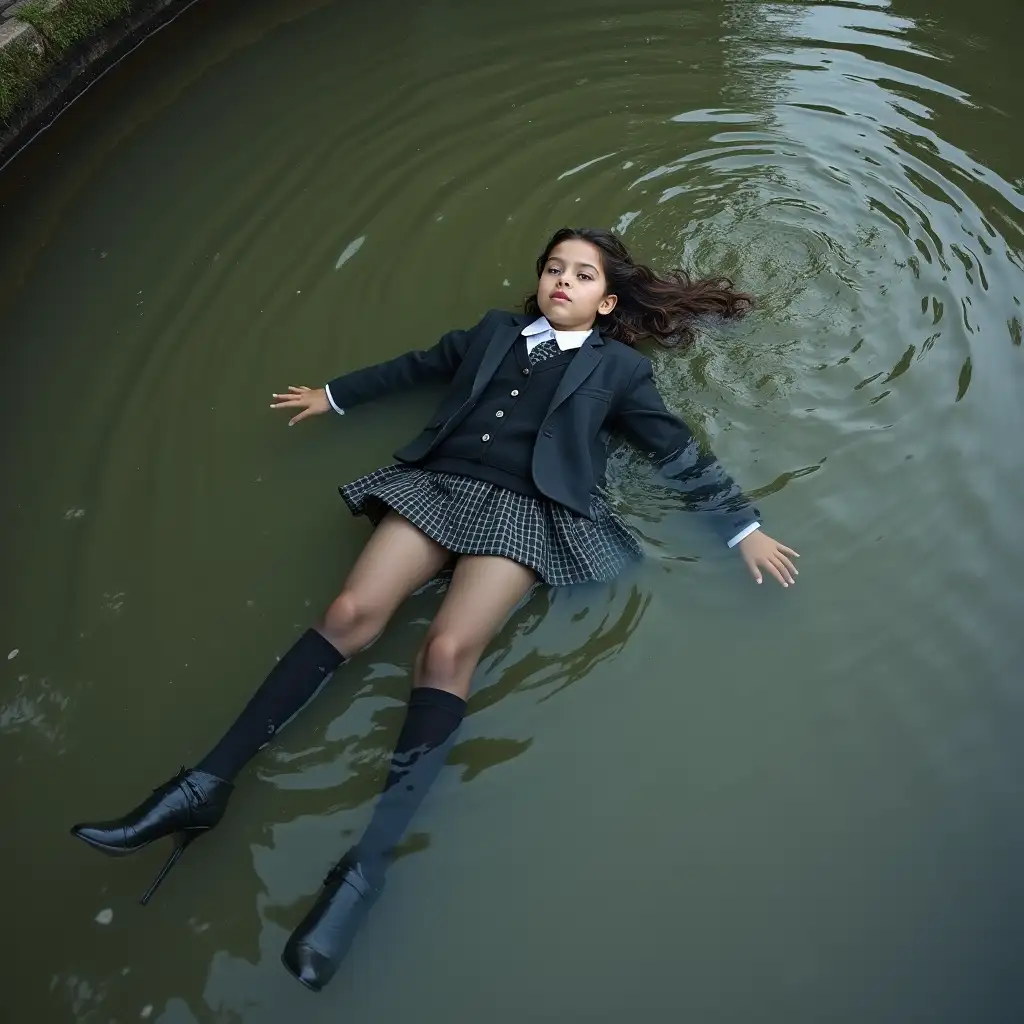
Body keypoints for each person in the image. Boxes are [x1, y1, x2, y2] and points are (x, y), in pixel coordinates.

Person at [70, 227, 799, 992]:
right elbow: (416, 367)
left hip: (528, 510)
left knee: (448, 654)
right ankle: (203, 788)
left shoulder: (617, 370)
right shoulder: (492, 332)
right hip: (439, 485)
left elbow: (673, 449)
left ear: (607, 301)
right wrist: (334, 395)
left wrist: (742, 527)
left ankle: (363, 872)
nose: (562, 281)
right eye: (554, 268)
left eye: (582, 275)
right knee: (350, 610)